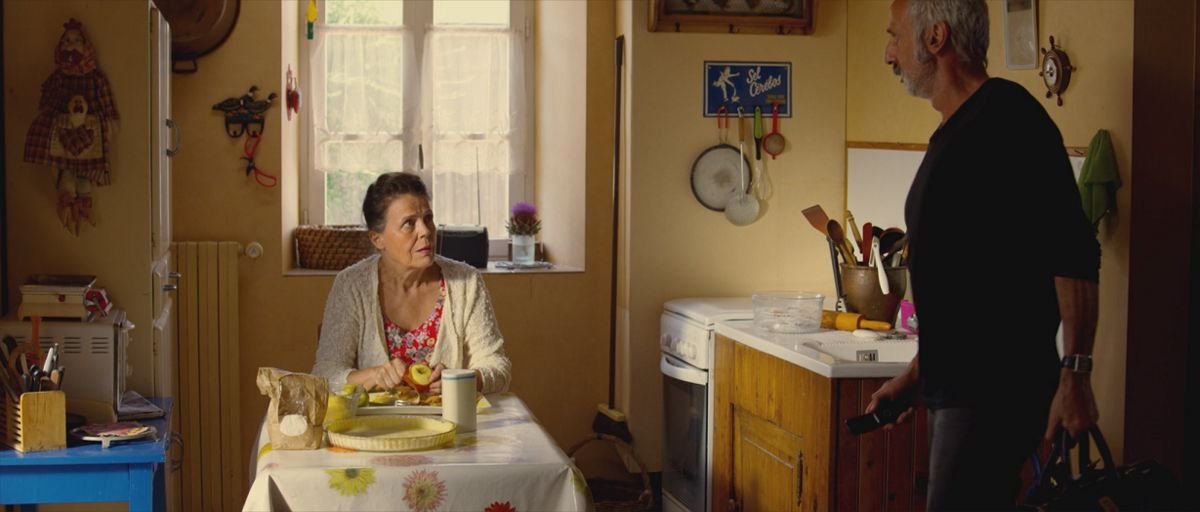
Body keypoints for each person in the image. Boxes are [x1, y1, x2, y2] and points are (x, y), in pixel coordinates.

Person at [866, 0, 1101, 509]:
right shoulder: (957, 129)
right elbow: (972, 290)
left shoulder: (1009, 121)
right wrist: (915, 376)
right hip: (958, 392)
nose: (889, 53)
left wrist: (1075, 376)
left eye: (894, 36)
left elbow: (1074, 255)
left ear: (936, 39)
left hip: (993, 393)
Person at [312, 172, 512, 395]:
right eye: (409, 223)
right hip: (374, 429)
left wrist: (464, 379)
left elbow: (498, 368)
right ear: (377, 239)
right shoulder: (351, 286)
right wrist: (373, 375)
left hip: (453, 427)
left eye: (428, 219)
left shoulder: (466, 282)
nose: (425, 231)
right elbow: (325, 375)